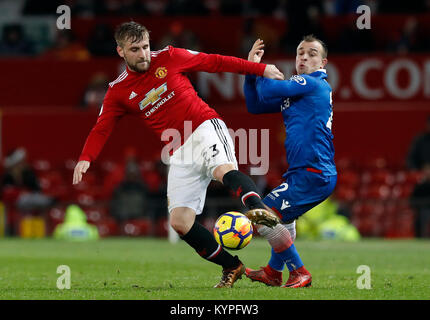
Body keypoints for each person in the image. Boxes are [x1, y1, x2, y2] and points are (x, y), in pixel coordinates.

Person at [72, 21, 282, 288]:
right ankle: (232, 266)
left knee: (223, 171)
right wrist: (85, 158)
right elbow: (102, 127)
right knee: (180, 223)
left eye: (146, 46)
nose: (144, 54)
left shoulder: (170, 56)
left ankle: (257, 209)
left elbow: (214, 62)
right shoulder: (118, 90)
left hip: (204, 126)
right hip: (178, 150)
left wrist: (260, 68)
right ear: (121, 52)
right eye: (135, 49)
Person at [243, 35, 337, 287]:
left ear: (323, 62)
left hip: (314, 172)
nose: (304, 57)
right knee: (283, 221)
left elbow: (272, 88)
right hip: (303, 172)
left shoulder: (313, 83)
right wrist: (250, 73)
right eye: (300, 53)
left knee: (261, 214)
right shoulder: (298, 92)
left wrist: (257, 68)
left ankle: (299, 272)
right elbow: (255, 105)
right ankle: (273, 273)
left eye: (312, 53)